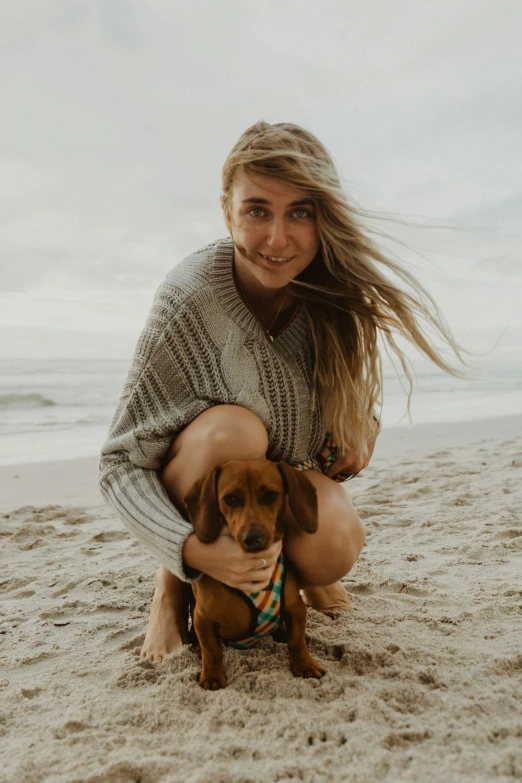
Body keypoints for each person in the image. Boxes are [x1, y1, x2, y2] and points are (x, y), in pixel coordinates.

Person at [98, 121, 463, 663]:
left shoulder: (336, 296)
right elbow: (121, 463)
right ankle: (170, 589)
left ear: (323, 218)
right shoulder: (190, 299)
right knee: (236, 431)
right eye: (257, 210)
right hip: (206, 483)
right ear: (227, 211)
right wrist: (189, 549)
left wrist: (360, 427)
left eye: (300, 212)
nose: (277, 238)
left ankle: (290, 577)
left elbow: (340, 415)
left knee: (334, 543)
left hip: (272, 486)